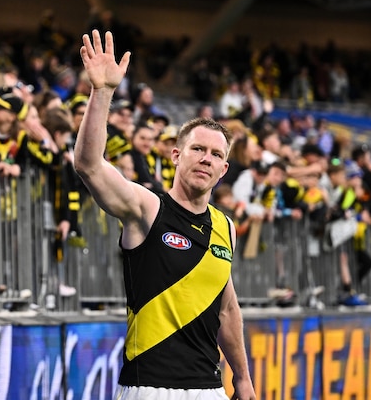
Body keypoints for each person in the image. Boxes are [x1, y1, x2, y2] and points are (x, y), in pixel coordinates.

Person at [73, 31, 255, 400]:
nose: (206, 158)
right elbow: (89, 165)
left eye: (216, 155)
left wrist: (243, 377)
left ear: (224, 170)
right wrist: (102, 91)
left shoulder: (225, 228)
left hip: (209, 388)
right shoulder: (146, 208)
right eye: (197, 149)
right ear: (176, 155)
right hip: (150, 388)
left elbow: (227, 307)